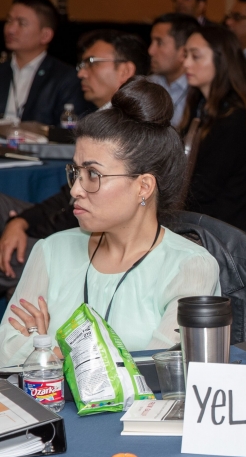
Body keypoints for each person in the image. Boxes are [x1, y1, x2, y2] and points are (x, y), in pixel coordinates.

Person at [0, 78, 220, 367]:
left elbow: (156, 373)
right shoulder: (51, 251)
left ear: (143, 186)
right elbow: (4, 356)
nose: (76, 189)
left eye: (93, 174)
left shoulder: (190, 267)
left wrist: (44, 345)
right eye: (75, 172)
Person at [0, 30, 149, 279]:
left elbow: (84, 212)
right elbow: (67, 197)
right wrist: (22, 221)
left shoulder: (129, 129)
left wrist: (26, 228)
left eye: (91, 63)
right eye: (81, 64)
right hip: (74, 222)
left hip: (90, 239)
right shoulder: (102, 119)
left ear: (125, 71)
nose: (80, 72)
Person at [180, 24, 246, 234]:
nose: (186, 63)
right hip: (203, 215)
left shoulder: (235, 119)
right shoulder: (202, 105)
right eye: (185, 55)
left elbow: (203, 189)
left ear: (221, 60)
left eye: (195, 56)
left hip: (218, 228)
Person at [0, 0, 90, 126]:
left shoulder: (66, 78)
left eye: (21, 23)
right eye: (9, 21)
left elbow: (68, 132)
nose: (10, 29)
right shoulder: (2, 70)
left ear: (45, 35)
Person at [148, 13, 199, 128]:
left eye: (159, 42)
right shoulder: (147, 85)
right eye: (151, 42)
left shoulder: (200, 92)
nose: (151, 51)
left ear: (183, 51)